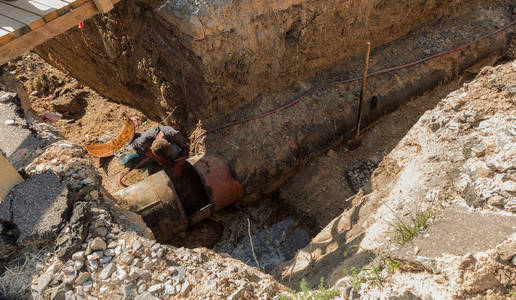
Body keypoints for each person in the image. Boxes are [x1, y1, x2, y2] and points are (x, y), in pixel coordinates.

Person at [121, 126, 188, 169]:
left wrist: (180, 162)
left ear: (169, 144)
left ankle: (172, 160)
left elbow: (185, 147)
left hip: (168, 151)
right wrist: (157, 159)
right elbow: (142, 150)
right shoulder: (143, 141)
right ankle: (154, 164)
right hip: (147, 152)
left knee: (175, 149)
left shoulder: (173, 134)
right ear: (151, 148)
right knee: (127, 161)